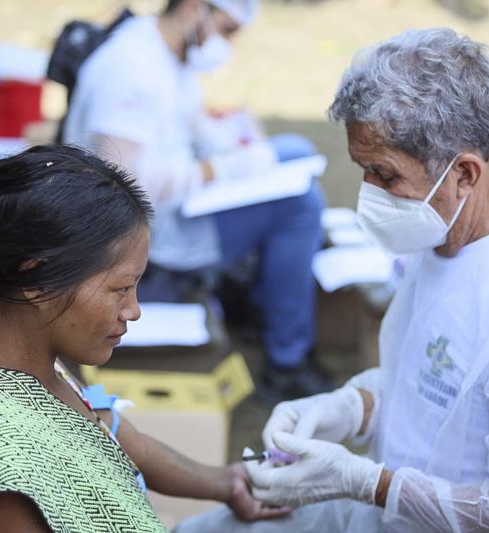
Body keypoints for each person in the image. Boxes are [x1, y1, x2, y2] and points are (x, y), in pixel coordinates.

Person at [175, 28, 489, 532]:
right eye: (362, 170)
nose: (370, 193)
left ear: (465, 174)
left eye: (385, 175)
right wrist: (348, 409)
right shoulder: (447, 230)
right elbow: (430, 381)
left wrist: (369, 483)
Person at [0, 145, 289, 532]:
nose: (134, 310)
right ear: (36, 279)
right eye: (120, 289)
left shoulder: (43, 373)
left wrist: (228, 482)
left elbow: (127, 442)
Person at [61, 0, 331, 402]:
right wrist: (219, 171)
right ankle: (287, 363)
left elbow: (189, 122)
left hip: (177, 204)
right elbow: (120, 184)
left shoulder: (164, 51)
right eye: (225, 29)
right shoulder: (130, 68)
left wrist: (237, 149)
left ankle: (269, 308)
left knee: (295, 152)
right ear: (193, 8)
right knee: (300, 203)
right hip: (145, 232)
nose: (225, 43)